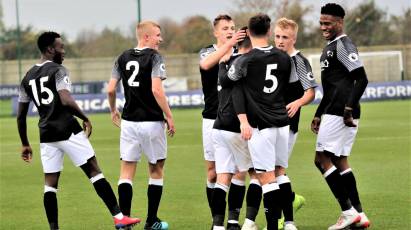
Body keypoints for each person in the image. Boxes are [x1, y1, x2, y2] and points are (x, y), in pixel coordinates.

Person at [16, 31, 141, 230]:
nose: (64, 51)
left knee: (50, 184)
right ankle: (119, 218)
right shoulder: (58, 70)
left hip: (46, 134)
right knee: (94, 170)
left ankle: (54, 228)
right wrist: (85, 117)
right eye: (60, 47)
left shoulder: (27, 76)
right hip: (67, 129)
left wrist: (24, 143)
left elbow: (21, 115)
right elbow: (65, 99)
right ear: (50, 50)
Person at [107, 21, 175, 230]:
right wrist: (169, 116)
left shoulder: (122, 57)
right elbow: (157, 90)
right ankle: (151, 221)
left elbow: (110, 89)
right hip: (152, 122)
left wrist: (113, 111)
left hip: (128, 123)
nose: (160, 39)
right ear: (145, 37)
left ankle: (124, 221)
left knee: (126, 172)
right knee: (156, 170)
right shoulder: (155, 57)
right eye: (157, 35)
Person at [228, 14, 293, 230]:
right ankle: (289, 222)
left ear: (249, 33)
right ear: (269, 31)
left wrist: (243, 121)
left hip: (261, 126)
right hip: (282, 125)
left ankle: (273, 227)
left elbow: (232, 85)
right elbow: (291, 87)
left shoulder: (245, 60)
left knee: (266, 180)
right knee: (279, 173)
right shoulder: (284, 58)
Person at [311, 3, 370, 230]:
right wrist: (318, 114)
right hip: (334, 107)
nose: (323, 27)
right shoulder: (330, 46)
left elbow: (361, 78)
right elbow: (332, 86)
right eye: (321, 23)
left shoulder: (343, 45)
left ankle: (347, 212)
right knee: (339, 160)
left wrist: (347, 109)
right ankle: (360, 214)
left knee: (321, 160)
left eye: (328, 23)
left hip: (340, 110)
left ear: (340, 22)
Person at [198, 14, 248, 226]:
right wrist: (229, 44)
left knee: (239, 171)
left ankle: (233, 220)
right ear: (215, 32)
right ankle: (215, 217)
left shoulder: (241, 53)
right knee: (213, 173)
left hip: (235, 119)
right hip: (211, 118)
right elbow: (206, 65)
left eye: (233, 28)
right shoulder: (208, 51)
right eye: (225, 28)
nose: (230, 31)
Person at [210, 27, 258, 230]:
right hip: (237, 125)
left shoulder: (224, 61)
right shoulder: (249, 63)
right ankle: (244, 223)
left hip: (219, 125)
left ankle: (220, 225)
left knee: (223, 176)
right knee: (254, 173)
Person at [272, 17, 318, 230]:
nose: (280, 41)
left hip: (288, 124)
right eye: (277, 36)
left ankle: (285, 220)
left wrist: (298, 103)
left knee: (277, 170)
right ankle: (290, 201)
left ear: (294, 38)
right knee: (270, 171)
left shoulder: (299, 61)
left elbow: (310, 92)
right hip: (268, 122)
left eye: (285, 37)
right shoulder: (271, 57)